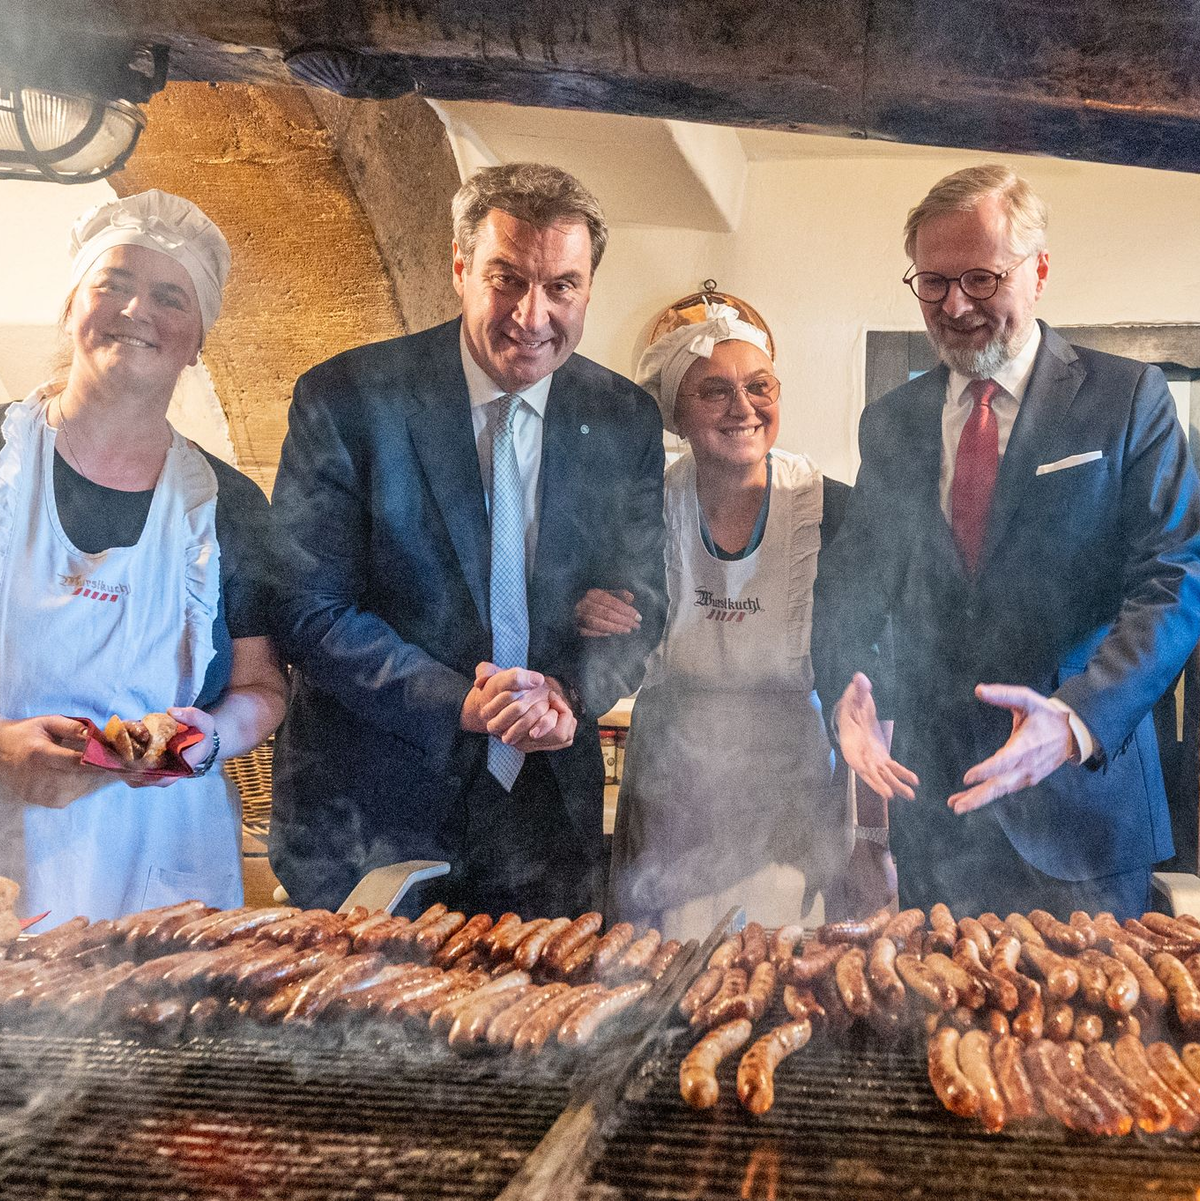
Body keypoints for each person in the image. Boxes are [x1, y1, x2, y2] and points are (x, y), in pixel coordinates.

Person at [269, 162, 667, 918]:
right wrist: (464, 703)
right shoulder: (348, 398)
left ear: (588, 288)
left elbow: (642, 602)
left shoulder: (624, 418)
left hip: (546, 820)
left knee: (539, 1029)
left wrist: (569, 691)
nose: (533, 314)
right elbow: (308, 607)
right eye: (506, 279)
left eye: (561, 287)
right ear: (460, 268)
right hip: (372, 811)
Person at [813, 163, 1200, 919]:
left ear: (1039, 271)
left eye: (981, 278)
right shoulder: (891, 421)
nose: (954, 305)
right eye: (933, 281)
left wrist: (1076, 719)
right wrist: (843, 690)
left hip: (1082, 812)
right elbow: (853, 583)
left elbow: (1175, 579)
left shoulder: (1127, 401)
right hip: (938, 814)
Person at [0, 189, 287, 926]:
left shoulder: (228, 505)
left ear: (197, 342)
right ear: (71, 307)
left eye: (169, 297)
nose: (136, 312)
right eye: (113, 285)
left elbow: (262, 686)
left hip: (168, 864)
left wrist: (205, 738)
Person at [586, 304, 889, 941]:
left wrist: (870, 836)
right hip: (673, 784)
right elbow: (602, 624)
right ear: (677, 412)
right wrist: (588, 615)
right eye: (714, 391)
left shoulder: (833, 511)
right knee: (660, 968)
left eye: (759, 386)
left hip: (793, 787)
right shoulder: (641, 509)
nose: (742, 407)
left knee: (787, 965)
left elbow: (868, 674)